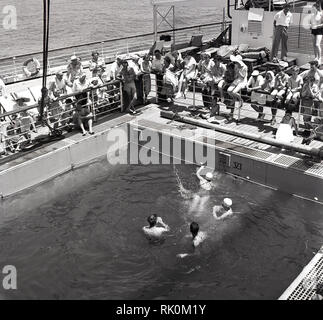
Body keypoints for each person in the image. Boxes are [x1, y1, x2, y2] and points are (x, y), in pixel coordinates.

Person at [227, 55, 248, 120]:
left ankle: (240, 99)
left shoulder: (244, 67)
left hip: (242, 81)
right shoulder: (236, 66)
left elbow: (243, 77)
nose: (235, 63)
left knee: (234, 91)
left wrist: (238, 71)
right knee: (229, 90)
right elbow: (236, 76)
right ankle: (234, 98)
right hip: (237, 80)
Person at [310, 1, 323, 65]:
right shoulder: (312, 14)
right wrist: (310, 25)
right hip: (313, 30)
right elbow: (311, 22)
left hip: (319, 30)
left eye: (317, 6)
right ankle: (316, 57)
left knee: (317, 44)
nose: (316, 8)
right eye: (315, 7)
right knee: (314, 45)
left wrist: (318, 26)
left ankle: (320, 58)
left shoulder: (322, 13)